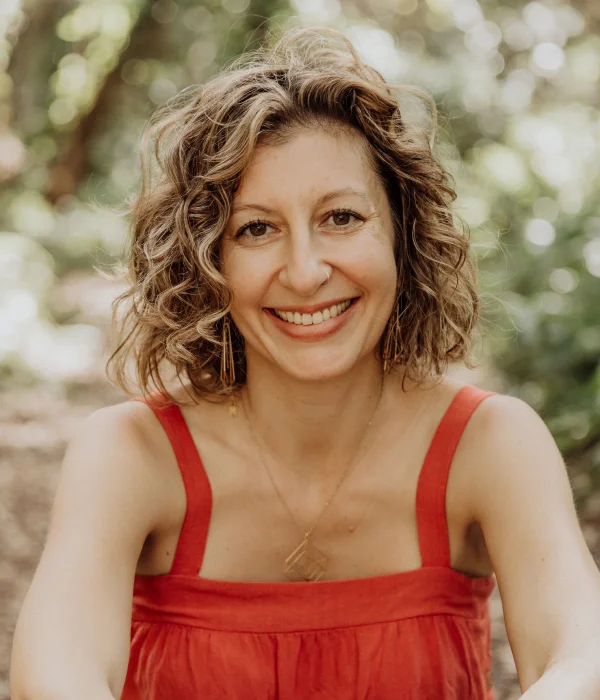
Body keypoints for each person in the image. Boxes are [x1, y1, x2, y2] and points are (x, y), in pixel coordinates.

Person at [10, 24, 600, 700]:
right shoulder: (129, 455)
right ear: (210, 262)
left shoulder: (489, 445)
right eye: (256, 229)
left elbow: (583, 651)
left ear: (402, 234)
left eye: (341, 218)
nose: (306, 270)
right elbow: (53, 672)